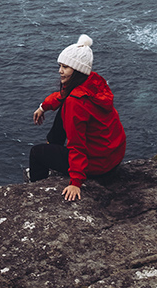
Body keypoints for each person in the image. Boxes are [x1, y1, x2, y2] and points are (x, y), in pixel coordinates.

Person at [29, 35, 126, 201]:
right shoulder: (94, 81)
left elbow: (77, 144)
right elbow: (62, 96)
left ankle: (38, 194)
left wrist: (76, 182)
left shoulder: (76, 102)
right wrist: (43, 107)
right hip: (113, 156)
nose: (60, 70)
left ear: (77, 70)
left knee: (37, 153)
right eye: (60, 66)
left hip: (96, 165)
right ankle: (53, 146)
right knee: (63, 109)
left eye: (65, 67)